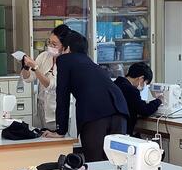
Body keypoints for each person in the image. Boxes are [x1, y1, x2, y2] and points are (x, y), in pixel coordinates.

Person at [43, 30, 129, 162]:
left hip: (95, 112)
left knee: (95, 160)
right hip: (119, 108)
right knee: (116, 160)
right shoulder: (88, 61)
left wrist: (60, 131)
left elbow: (62, 95)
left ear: (67, 48)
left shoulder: (64, 60)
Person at [21, 24, 71, 130]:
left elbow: (51, 85)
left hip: (57, 111)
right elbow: (28, 78)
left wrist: (35, 68)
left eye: (54, 44)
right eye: (49, 42)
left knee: (57, 138)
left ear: (64, 46)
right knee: (42, 136)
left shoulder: (67, 62)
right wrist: (26, 66)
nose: (50, 46)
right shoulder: (44, 56)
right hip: (41, 107)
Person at [113, 62, 162, 136]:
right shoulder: (131, 90)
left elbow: (133, 103)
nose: (144, 86)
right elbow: (145, 110)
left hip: (112, 128)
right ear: (141, 78)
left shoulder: (116, 83)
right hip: (123, 131)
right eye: (145, 83)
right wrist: (159, 100)